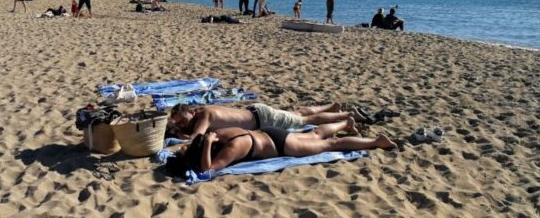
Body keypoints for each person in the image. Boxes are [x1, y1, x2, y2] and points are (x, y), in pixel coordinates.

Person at [165, 120, 398, 175]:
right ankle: (345, 122)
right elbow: (204, 152)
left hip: (279, 145)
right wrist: (207, 140)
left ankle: (376, 142)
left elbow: (208, 170)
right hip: (271, 133)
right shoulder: (219, 135)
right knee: (315, 133)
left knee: (329, 144)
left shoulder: (231, 150)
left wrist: (205, 147)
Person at [170, 103, 368, 140]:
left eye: (182, 121)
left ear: (190, 113)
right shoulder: (199, 110)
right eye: (179, 123)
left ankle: (348, 115)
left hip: (262, 118)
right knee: (296, 112)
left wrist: (180, 134)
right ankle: (332, 107)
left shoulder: (204, 116)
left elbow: (195, 138)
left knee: (305, 120)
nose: (181, 125)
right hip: (256, 112)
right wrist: (175, 125)